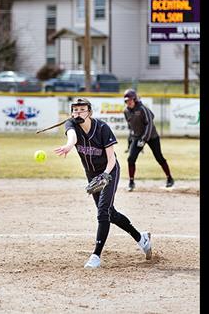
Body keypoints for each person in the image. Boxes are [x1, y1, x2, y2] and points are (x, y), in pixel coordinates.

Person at [54, 97, 152, 269]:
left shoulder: (102, 128)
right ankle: (141, 238)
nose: (78, 113)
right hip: (92, 174)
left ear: (89, 112)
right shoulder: (71, 125)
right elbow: (72, 137)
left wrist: (105, 175)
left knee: (102, 212)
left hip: (109, 171)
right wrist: (69, 146)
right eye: (75, 110)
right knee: (110, 213)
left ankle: (96, 255)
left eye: (82, 110)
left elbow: (111, 159)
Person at [123, 89, 175, 191]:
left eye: (130, 100)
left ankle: (170, 178)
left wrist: (144, 139)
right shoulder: (126, 111)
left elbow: (149, 124)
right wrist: (131, 141)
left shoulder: (142, 109)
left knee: (159, 157)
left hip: (151, 136)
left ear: (134, 99)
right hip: (138, 137)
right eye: (126, 101)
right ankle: (131, 182)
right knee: (131, 159)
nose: (128, 102)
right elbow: (131, 127)